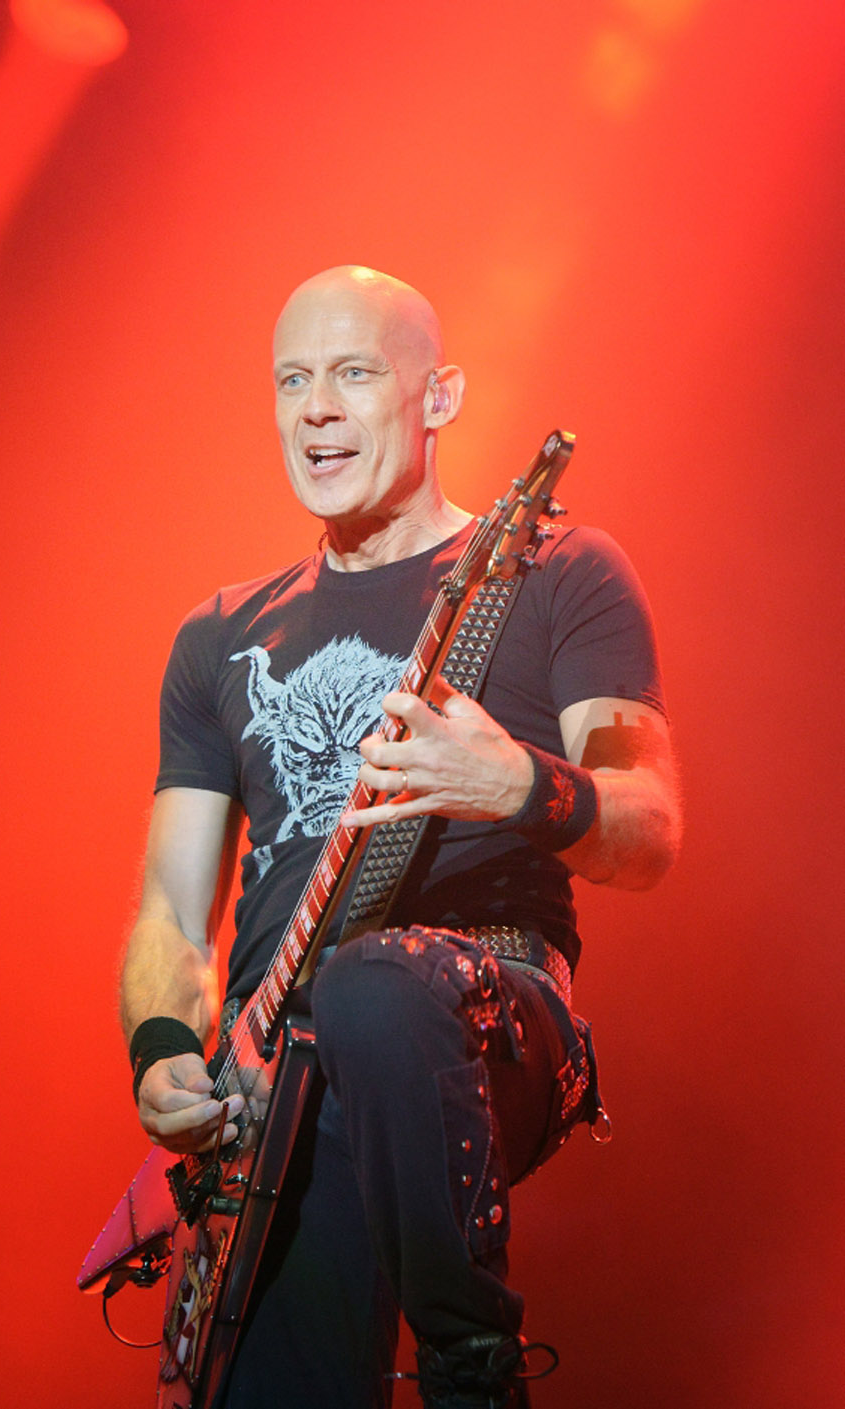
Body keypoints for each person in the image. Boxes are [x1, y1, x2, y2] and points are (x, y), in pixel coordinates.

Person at [119, 265, 681, 1408]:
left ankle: (472, 1368)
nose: (316, 409)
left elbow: (650, 826)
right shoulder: (218, 636)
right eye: (292, 381)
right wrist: (162, 1046)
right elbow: (170, 909)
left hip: (482, 1013)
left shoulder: (554, 571)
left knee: (373, 986)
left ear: (440, 396)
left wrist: (513, 782)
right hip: (281, 1072)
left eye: (353, 373)